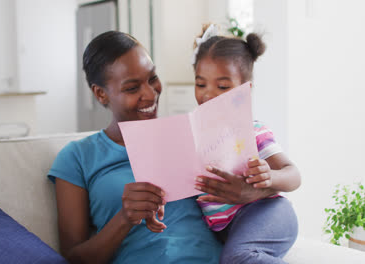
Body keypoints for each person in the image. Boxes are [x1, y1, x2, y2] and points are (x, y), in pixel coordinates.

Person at [48, 31, 222, 264]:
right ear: (101, 94)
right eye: (132, 88)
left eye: (152, 78)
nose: (150, 94)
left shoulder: (186, 136)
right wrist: (124, 218)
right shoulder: (78, 157)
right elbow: (73, 258)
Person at [191, 24, 301, 263]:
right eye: (201, 84)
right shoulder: (191, 137)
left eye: (222, 86)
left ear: (245, 89)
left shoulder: (252, 130)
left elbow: (293, 175)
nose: (208, 94)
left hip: (266, 212)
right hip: (230, 228)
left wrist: (268, 177)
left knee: (236, 258)